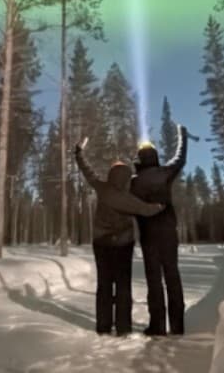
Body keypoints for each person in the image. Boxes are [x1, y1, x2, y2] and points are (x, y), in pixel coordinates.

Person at [73, 137, 165, 336]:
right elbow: (147, 210)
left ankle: (103, 326)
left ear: (111, 174)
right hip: (123, 244)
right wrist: (161, 206)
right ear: (126, 177)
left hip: (101, 243)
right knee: (123, 285)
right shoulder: (129, 198)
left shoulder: (101, 187)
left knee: (104, 284)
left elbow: (86, 170)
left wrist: (79, 153)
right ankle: (123, 326)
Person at [131, 124, 188, 336]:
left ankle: (157, 325)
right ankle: (178, 326)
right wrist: (182, 135)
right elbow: (180, 158)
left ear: (139, 158)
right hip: (168, 234)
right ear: (154, 156)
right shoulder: (164, 173)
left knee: (154, 280)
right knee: (172, 276)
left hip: (148, 237)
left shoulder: (133, 183)